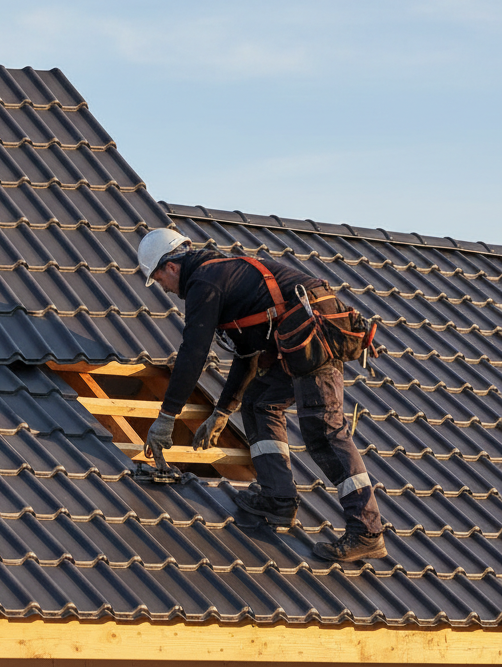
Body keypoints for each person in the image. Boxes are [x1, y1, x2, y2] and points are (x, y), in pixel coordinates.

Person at [137, 227, 387, 563]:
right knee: (258, 402)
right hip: (298, 343)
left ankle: (367, 531)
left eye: (160, 280)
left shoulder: (204, 282)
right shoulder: (224, 278)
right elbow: (248, 356)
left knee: (324, 432)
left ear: (170, 266)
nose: (166, 289)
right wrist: (223, 411)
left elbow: (192, 353)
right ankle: (278, 499)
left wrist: (166, 418)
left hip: (314, 340)